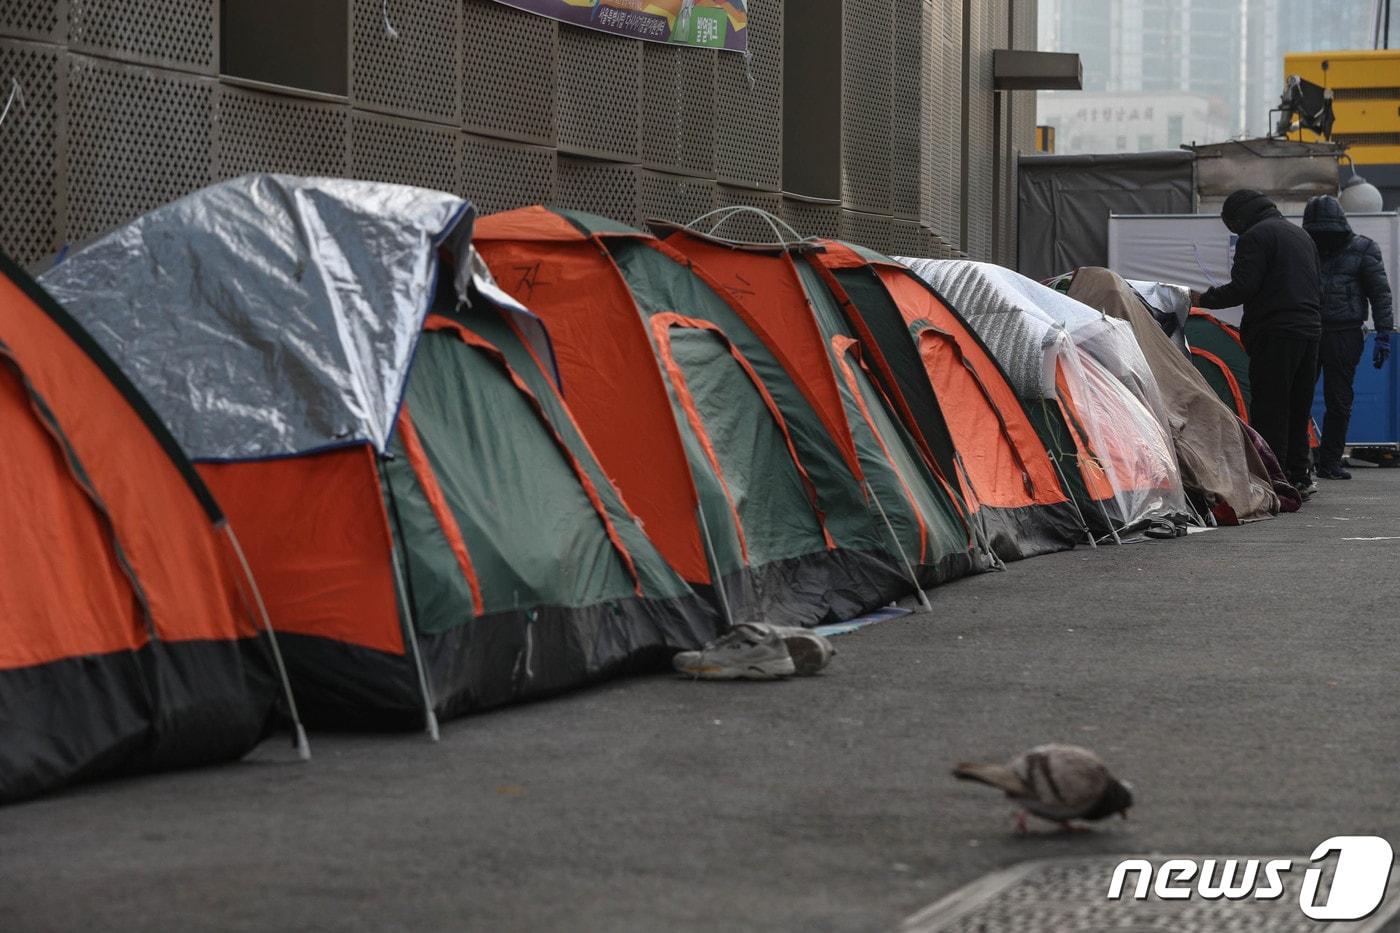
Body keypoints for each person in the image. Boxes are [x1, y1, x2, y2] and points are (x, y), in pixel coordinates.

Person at [1190, 189, 1322, 499]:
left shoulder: (1256, 237)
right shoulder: (1300, 236)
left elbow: (1243, 288)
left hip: (1276, 331)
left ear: (1238, 217)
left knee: (1271, 406)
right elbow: (1320, 287)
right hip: (1311, 330)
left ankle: (1274, 480)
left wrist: (1203, 298)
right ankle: (1298, 476)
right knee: (1297, 406)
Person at [1302, 194, 1394, 480]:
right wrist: (1382, 335)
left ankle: (1325, 461)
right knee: (1319, 399)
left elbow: (1380, 295)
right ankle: (1315, 462)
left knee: (1330, 400)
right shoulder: (1362, 248)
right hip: (1323, 330)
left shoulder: (1311, 247)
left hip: (1334, 331)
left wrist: (1384, 334)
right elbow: (1380, 294)